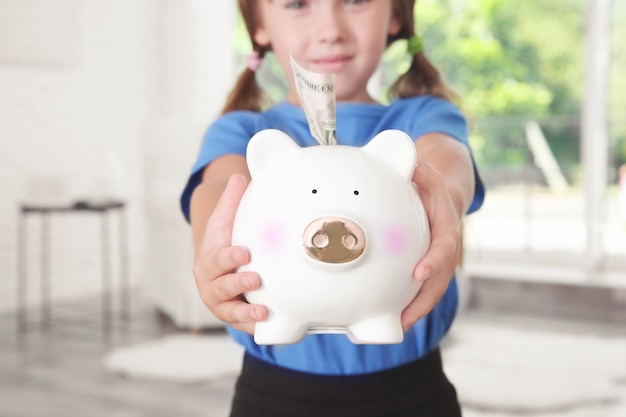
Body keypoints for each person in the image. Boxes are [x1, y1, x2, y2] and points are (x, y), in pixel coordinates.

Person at [180, 0, 485, 416]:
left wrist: (443, 201)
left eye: (356, 0)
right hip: (271, 396)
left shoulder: (422, 117)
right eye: (298, 4)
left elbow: (446, 164)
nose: (330, 28)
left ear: (396, 14)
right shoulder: (243, 131)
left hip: (414, 392)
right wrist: (213, 252)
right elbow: (219, 186)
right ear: (259, 26)